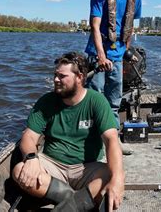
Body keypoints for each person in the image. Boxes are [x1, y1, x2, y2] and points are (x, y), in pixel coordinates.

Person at [12, 52, 125, 211]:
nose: (56, 80)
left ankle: (68, 206)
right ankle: (75, 200)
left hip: (86, 168)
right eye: (55, 75)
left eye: (62, 76)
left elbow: (111, 140)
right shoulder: (47, 101)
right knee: (19, 171)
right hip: (52, 166)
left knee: (110, 175)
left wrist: (118, 179)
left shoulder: (96, 101)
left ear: (79, 77)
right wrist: (31, 158)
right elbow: (29, 136)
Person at [85, 0, 142, 139]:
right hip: (98, 53)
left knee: (114, 100)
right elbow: (94, 25)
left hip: (117, 55)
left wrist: (126, 49)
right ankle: (93, 139)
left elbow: (130, 24)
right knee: (95, 96)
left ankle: (113, 138)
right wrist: (101, 55)